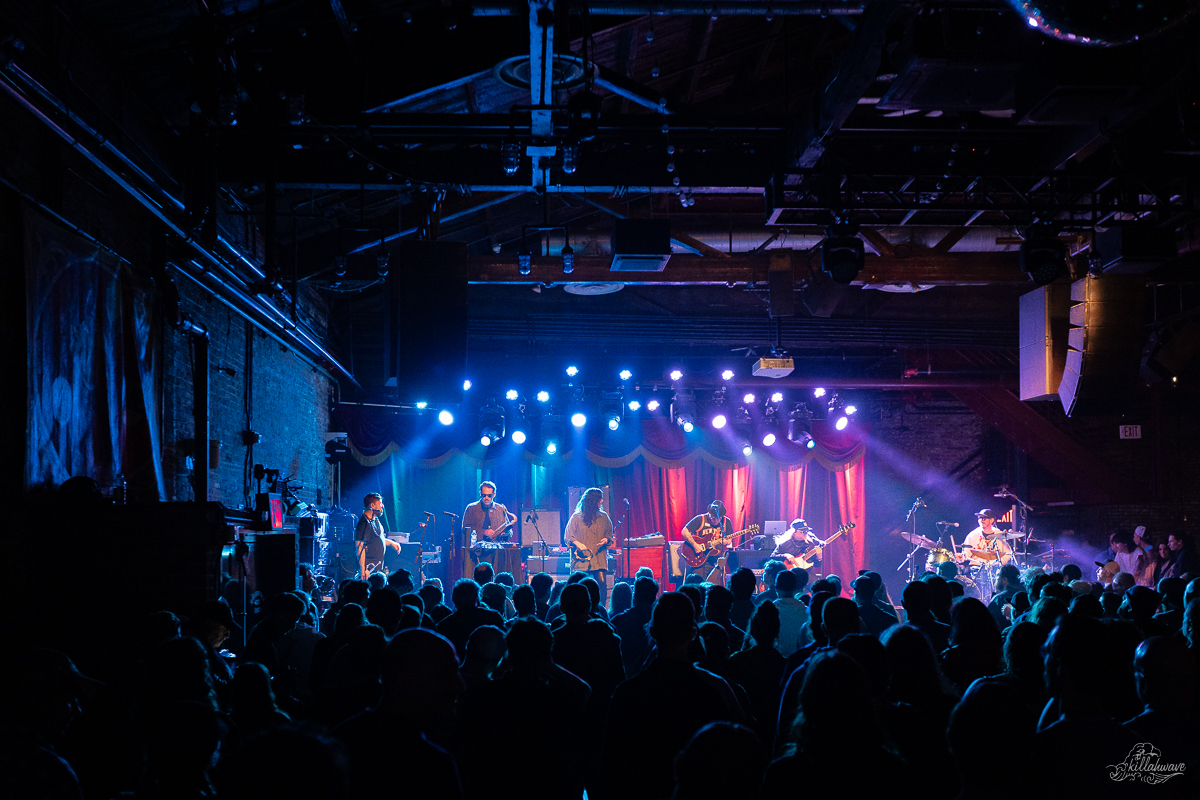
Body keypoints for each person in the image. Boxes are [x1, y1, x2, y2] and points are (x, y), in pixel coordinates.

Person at [564, 487, 614, 605]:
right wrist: (578, 544)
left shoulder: (604, 517)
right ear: (593, 501)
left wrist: (606, 540)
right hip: (581, 560)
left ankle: (600, 609)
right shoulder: (576, 517)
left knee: (601, 584)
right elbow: (568, 536)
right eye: (600, 499)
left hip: (598, 558)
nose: (602, 501)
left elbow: (609, 534)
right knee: (579, 585)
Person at [680, 500, 734, 584]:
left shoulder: (726, 522)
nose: (715, 520)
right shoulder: (700, 519)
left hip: (714, 560)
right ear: (709, 513)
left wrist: (727, 541)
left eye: (718, 518)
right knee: (698, 585)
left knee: (712, 586)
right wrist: (694, 545)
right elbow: (684, 531)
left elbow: (729, 538)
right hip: (698, 558)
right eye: (713, 517)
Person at [356, 493, 402, 580]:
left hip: (377, 567)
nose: (382, 506)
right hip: (369, 570)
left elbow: (377, 539)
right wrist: (363, 569)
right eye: (380, 503)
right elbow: (359, 548)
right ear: (372, 505)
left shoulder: (375, 520)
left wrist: (392, 543)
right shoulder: (363, 524)